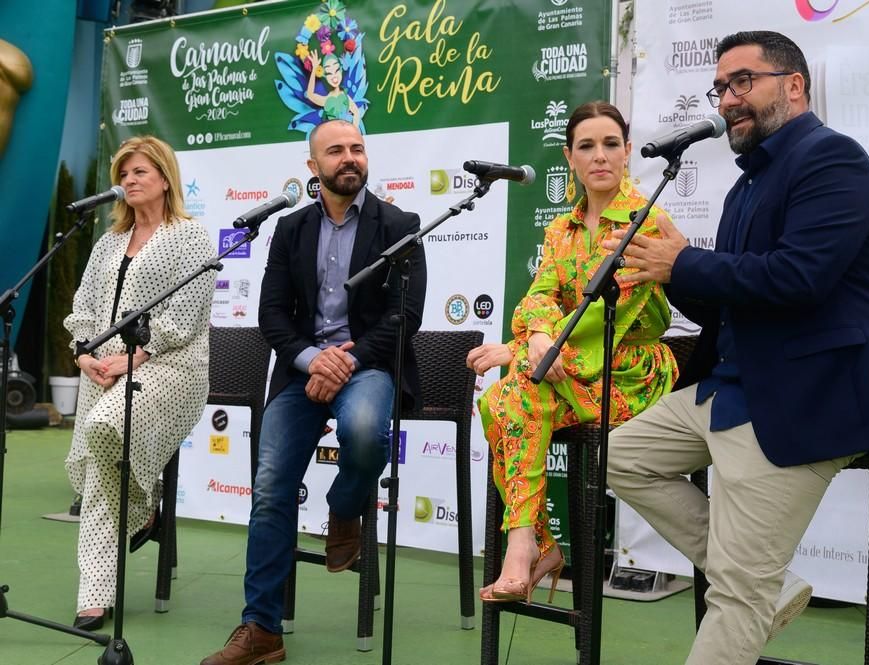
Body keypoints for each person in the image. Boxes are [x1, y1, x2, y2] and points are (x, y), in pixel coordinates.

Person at [604, 30, 869, 665]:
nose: (728, 98)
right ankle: (777, 584)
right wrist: (664, 271)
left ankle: (753, 586)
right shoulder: (745, 187)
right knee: (622, 455)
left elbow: (800, 279)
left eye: (743, 81)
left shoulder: (833, 160)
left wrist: (685, 263)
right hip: (735, 387)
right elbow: (732, 301)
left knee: (737, 593)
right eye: (720, 86)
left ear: (793, 86)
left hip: (803, 396)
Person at [200, 118, 426, 665]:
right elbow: (271, 315)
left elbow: (406, 317)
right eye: (335, 151)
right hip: (302, 370)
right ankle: (261, 629)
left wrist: (343, 359)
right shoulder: (290, 229)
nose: (349, 158)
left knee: (366, 430)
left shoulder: (401, 223)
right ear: (313, 167)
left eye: (357, 148)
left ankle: (345, 508)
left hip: (367, 364)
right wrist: (311, 358)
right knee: (272, 485)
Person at [467, 101, 678, 603]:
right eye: (587, 146)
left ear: (627, 152)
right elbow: (539, 295)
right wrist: (535, 339)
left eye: (610, 144)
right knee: (505, 399)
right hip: (568, 367)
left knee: (509, 396)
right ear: (570, 156)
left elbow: (608, 313)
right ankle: (528, 546)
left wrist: (522, 352)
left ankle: (532, 549)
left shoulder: (645, 221)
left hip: (628, 369)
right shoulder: (561, 229)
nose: (599, 156)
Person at [64, 135, 214, 630]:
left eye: (139, 173)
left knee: (106, 430)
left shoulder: (190, 237)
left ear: (165, 179)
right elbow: (83, 307)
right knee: (106, 472)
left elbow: (185, 317)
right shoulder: (107, 241)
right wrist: (84, 354)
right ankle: (95, 591)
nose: (127, 182)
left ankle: (145, 501)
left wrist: (133, 358)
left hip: (171, 369)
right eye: (123, 175)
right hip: (103, 369)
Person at [306, 51, 361, 127]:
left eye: (337, 70)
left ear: (341, 70)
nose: (334, 76)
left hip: (346, 134)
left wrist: (354, 131)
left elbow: (356, 112)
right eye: (329, 73)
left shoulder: (345, 96)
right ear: (325, 76)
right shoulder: (326, 100)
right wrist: (314, 69)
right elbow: (310, 94)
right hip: (332, 135)